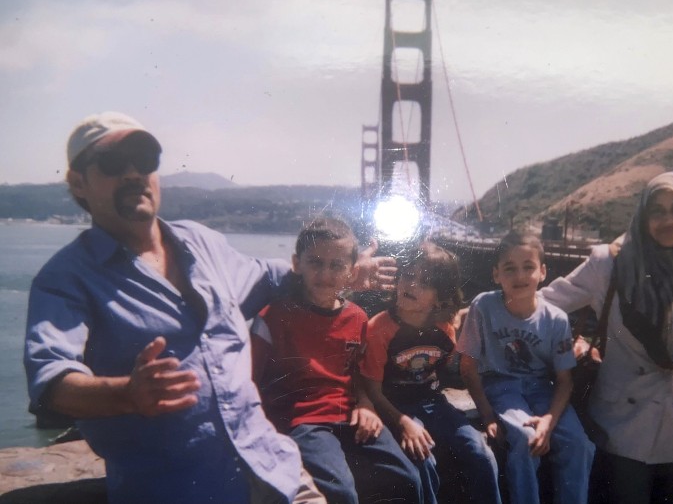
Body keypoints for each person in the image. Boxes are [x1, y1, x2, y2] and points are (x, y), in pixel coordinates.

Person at [23, 111, 395, 504]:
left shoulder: (202, 243)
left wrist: (346, 274)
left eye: (145, 161)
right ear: (78, 182)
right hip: (178, 488)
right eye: (114, 164)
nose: (133, 173)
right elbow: (51, 381)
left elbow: (272, 277)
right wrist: (126, 394)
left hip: (274, 469)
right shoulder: (67, 278)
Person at [540, 171, 673, 503]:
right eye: (656, 211)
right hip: (620, 427)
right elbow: (543, 302)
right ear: (643, 216)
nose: (668, 220)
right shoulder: (609, 263)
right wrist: (478, 311)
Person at [251, 217, 424, 504]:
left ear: (351, 272)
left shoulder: (356, 317)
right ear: (296, 264)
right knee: (342, 492)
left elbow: (357, 372)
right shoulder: (274, 316)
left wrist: (367, 406)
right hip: (304, 422)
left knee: (408, 477)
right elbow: (249, 380)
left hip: (349, 415)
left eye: (337, 266)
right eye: (316, 262)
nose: (325, 274)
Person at [457, 232, 595, 504]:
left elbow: (564, 379)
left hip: (542, 389)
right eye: (510, 268)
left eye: (528, 267)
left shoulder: (555, 319)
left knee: (578, 444)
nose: (520, 276)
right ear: (496, 274)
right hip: (501, 385)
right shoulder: (483, 307)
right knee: (524, 437)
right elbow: (468, 367)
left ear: (542, 272)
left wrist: (549, 421)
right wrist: (488, 416)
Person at [361, 241, 502, 504]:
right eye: (408, 275)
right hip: (394, 406)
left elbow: (447, 366)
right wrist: (403, 422)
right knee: (423, 457)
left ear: (440, 297)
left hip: (434, 403)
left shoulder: (444, 328)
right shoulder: (379, 329)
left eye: (424, 283)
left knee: (481, 452)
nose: (411, 285)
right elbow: (372, 389)